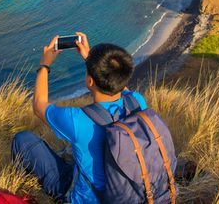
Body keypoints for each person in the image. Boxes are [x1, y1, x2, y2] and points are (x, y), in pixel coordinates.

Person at [11, 32, 147, 204]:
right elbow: (118, 84)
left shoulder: (78, 119)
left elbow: (39, 106)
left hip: (85, 198)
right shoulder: (137, 102)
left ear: (90, 82)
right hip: (128, 192)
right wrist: (91, 60)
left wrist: (44, 64)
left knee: (22, 139)